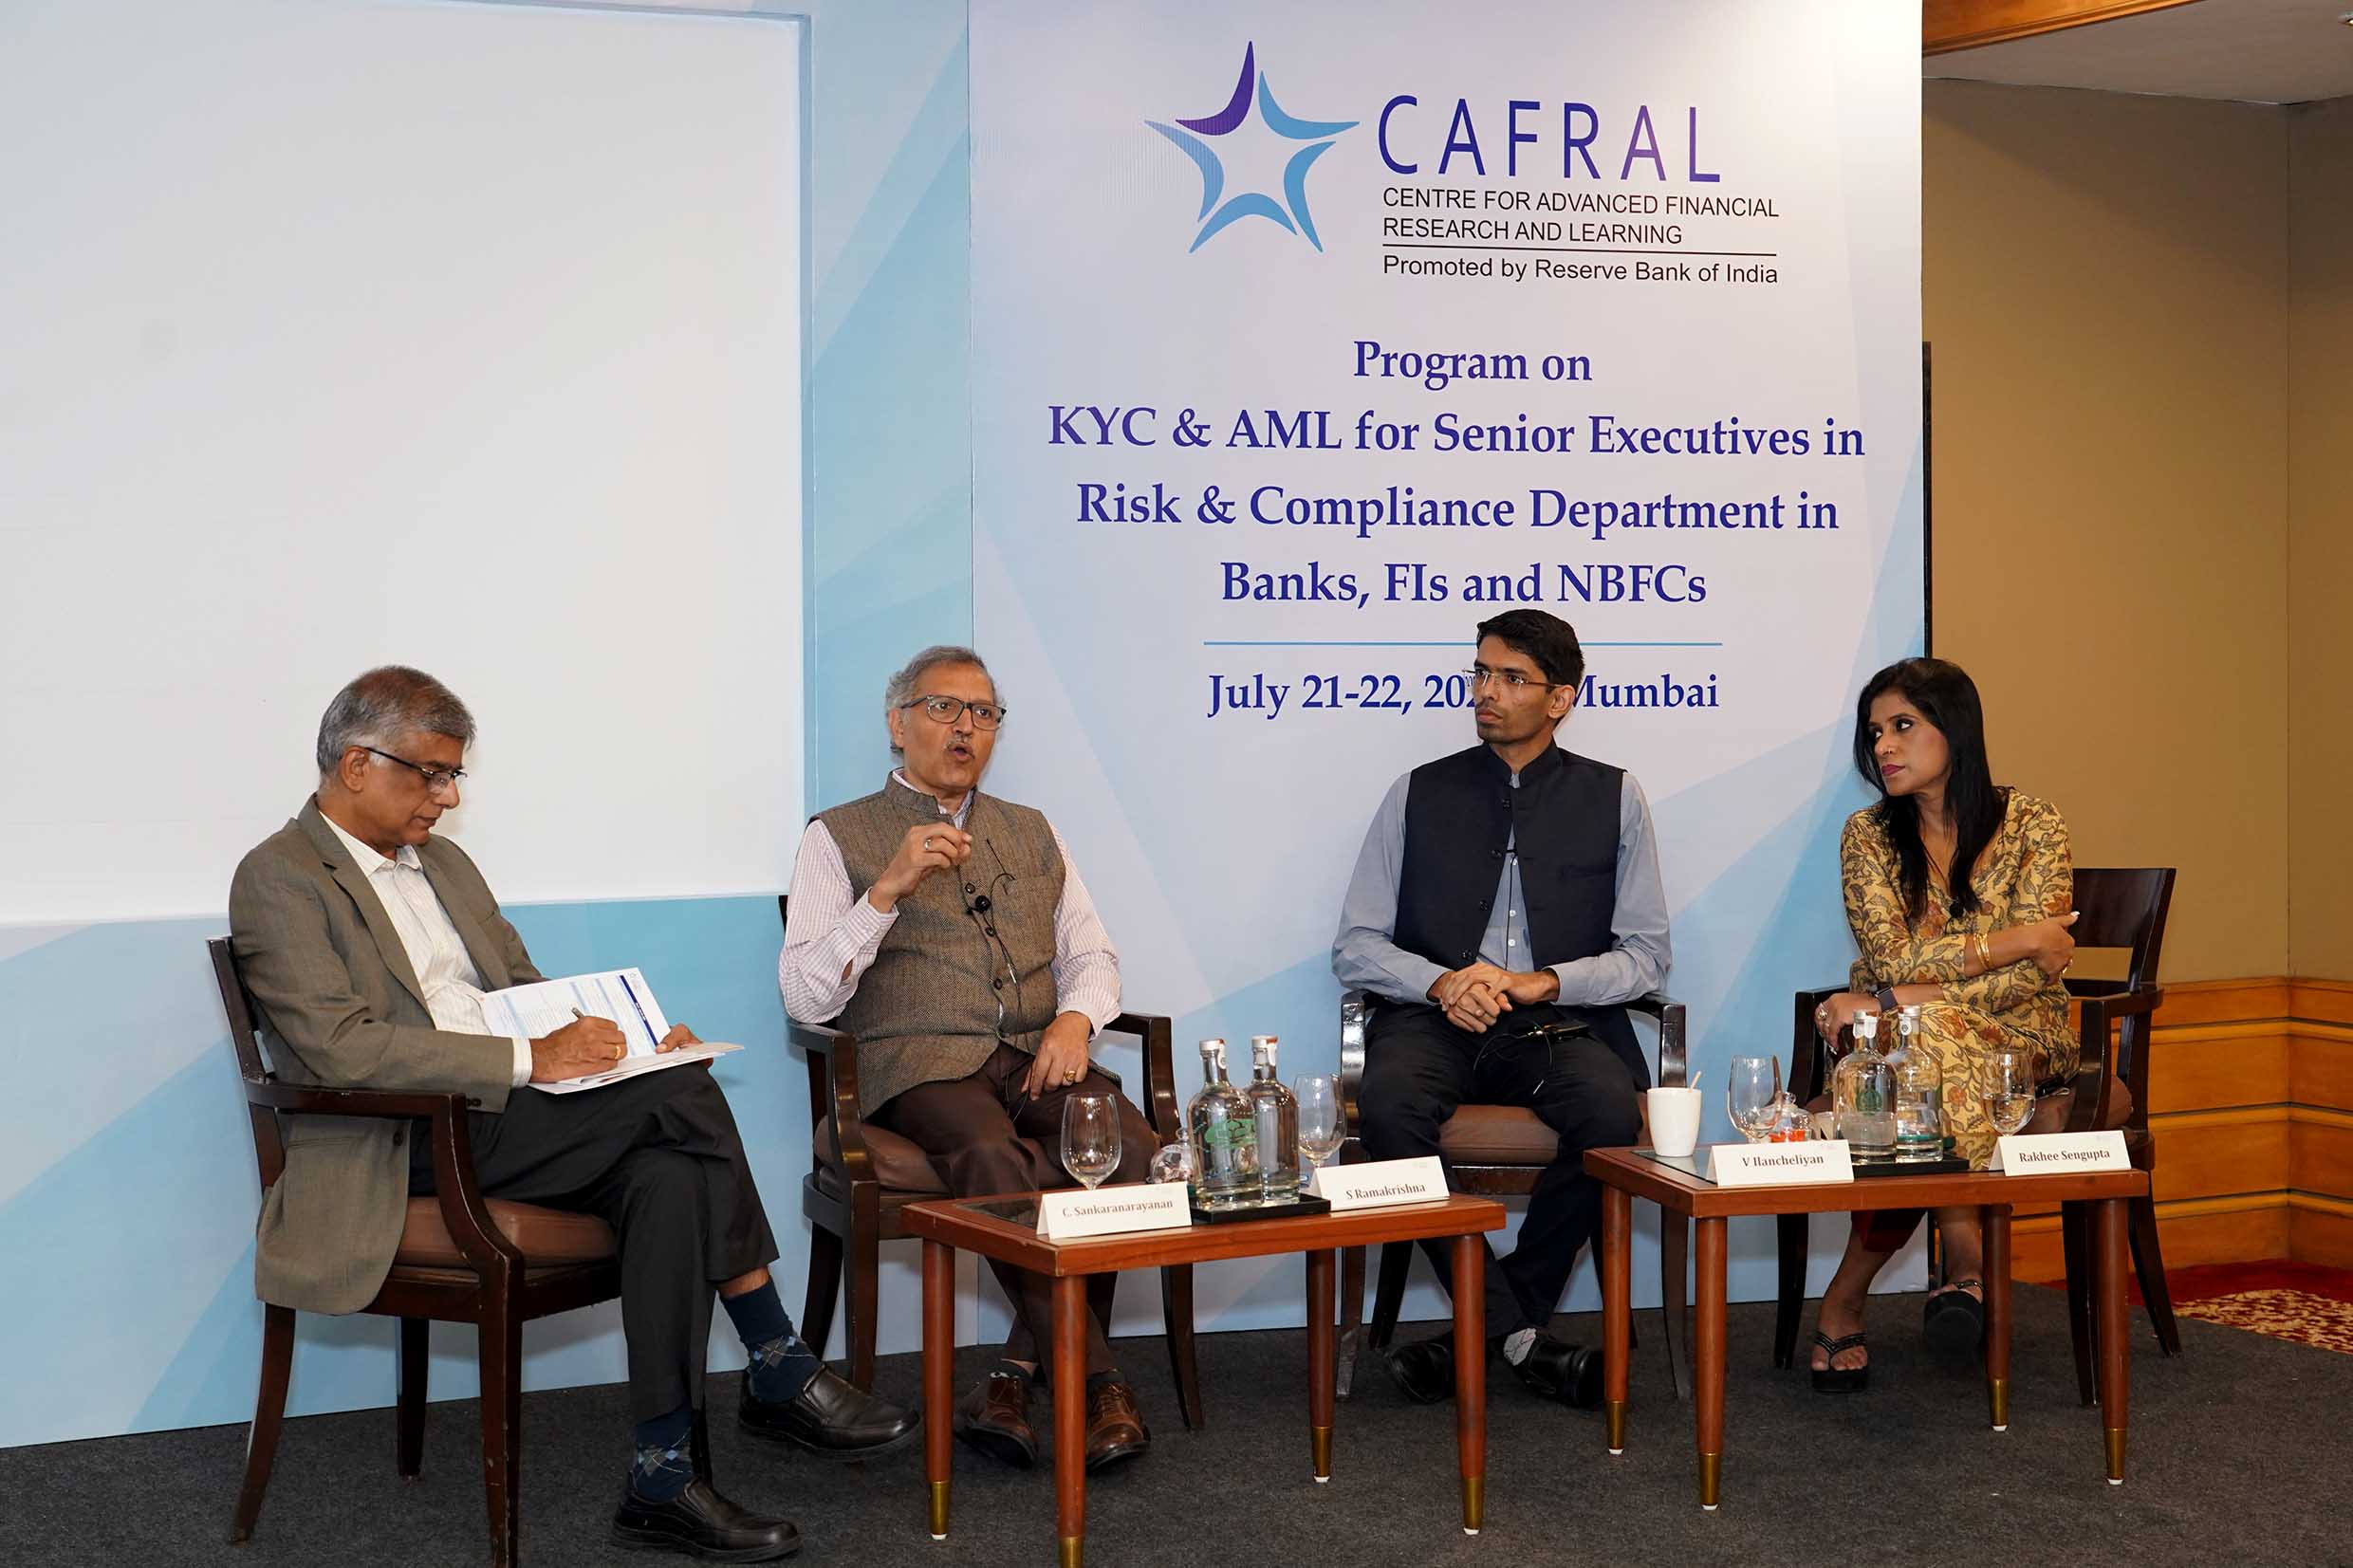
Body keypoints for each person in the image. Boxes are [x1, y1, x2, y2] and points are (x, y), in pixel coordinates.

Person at [230, 667, 914, 1563]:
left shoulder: (445, 865)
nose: (448, 796)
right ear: (357, 764)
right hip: (398, 1135)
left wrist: (630, 1043)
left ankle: (662, 1476)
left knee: (669, 1170)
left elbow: (522, 989)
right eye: (432, 773)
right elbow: (340, 1048)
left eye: (453, 775)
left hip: (509, 1116)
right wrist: (530, 1058)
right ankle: (776, 1358)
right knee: (680, 1098)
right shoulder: (279, 876)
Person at [780, 646, 1158, 1473]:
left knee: (1127, 1142)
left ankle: (1012, 1376)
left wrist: (1074, 1020)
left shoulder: (1033, 828)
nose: (965, 727)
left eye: (983, 713)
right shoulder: (835, 834)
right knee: (990, 1152)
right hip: (921, 1065)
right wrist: (885, 891)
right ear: (897, 724)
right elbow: (804, 996)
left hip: (1033, 1052)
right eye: (943, 707)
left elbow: (1092, 953)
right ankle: (1098, 1381)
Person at [1332, 609, 1670, 1408]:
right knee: (1388, 1105)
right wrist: (1442, 982)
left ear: (1560, 698)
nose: (1486, 691)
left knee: (1608, 1111)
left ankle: (1482, 1330)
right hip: (1433, 1019)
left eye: (1511, 677)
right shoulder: (1418, 791)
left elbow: (1648, 956)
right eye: (1481, 672)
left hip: (1552, 1022)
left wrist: (1544, 981)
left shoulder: (1615, 796)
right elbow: (1355, 944)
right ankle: (1519, 1333)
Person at [1805, 656, 2080, 1393]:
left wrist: (1897, 1001)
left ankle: (1848, 1297)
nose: (1884, 746)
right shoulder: (1868, 835)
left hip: (2022, 1039)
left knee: (1914, 1051)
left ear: (1954, 729)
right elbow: (1891, 956)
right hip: (1905, 1042)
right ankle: (1966, 1263)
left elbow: (2038, 975)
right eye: (1875, 732)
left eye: (1903, 725)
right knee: (1919, 1055)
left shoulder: (2033, 823)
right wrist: (2015, 938)